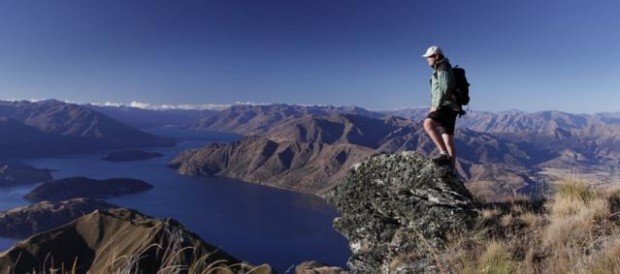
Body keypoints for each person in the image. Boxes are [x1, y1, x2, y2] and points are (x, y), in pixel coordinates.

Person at [421, 45, 460, 169]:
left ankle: (444, 155)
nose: (427, 59)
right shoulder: (444, 67)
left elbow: (445, 89)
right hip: (452, 107)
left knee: (428, 124)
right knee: (448, 140)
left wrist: (435, 106)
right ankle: (452, 171)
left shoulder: (442, 68)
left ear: (436, 56)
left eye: (429, 57)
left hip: (445, 106)